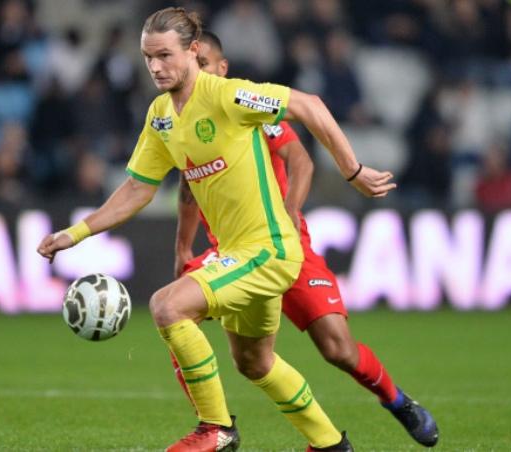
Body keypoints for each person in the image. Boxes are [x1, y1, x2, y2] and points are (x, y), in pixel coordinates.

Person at [38, 7, 395, 451]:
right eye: (148, 57)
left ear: (192, 51)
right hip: (238, 254)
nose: (155, 67)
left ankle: (215, 428)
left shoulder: (229, 96)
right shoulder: (161, 115)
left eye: (165, 55)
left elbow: (310, 106)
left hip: (269, 250)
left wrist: (352, 169)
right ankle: (331, 445)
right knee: (255, 362)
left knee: (167, 306)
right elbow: (137, 188)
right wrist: (74, 234)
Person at [169, 31, 439, 449]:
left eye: (204, 64)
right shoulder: (183, 119)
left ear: (222, 68)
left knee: (337, 349)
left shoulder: (248, 106)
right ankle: (214, 425)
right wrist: (184, 247)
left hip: (282, 242)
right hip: (229, 253)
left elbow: (301, 159)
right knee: (175, 312)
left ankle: (396, 400)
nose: (196, 72)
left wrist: (292, 208)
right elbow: (189, 183)